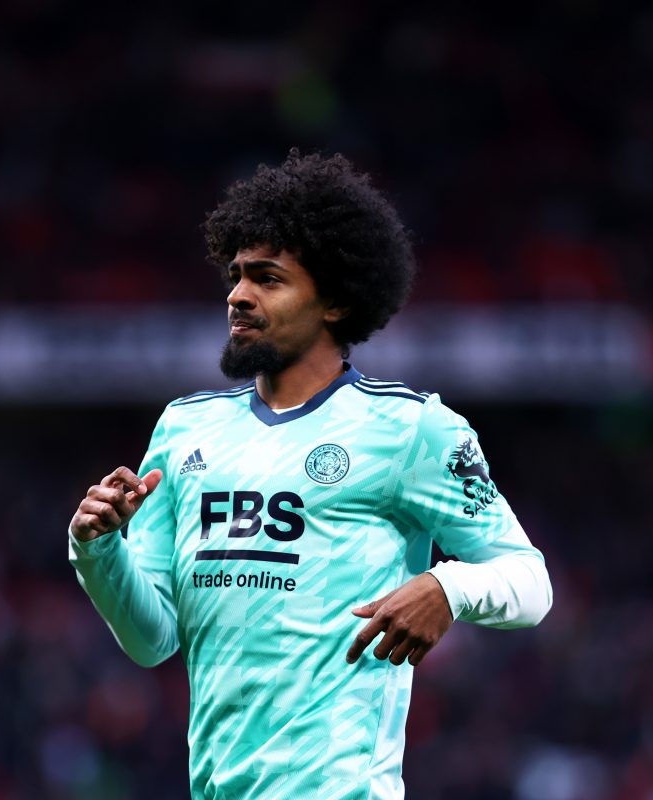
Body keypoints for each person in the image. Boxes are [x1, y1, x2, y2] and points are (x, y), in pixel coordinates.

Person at [68, 150, 553, 798]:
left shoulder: (413, 430)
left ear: (334, 300)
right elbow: (153, 639)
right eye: (236, 276)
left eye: (267, 279)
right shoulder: (184, 429)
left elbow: (530, 582)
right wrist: (97, 550)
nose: (238, 295)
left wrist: (447, 588)